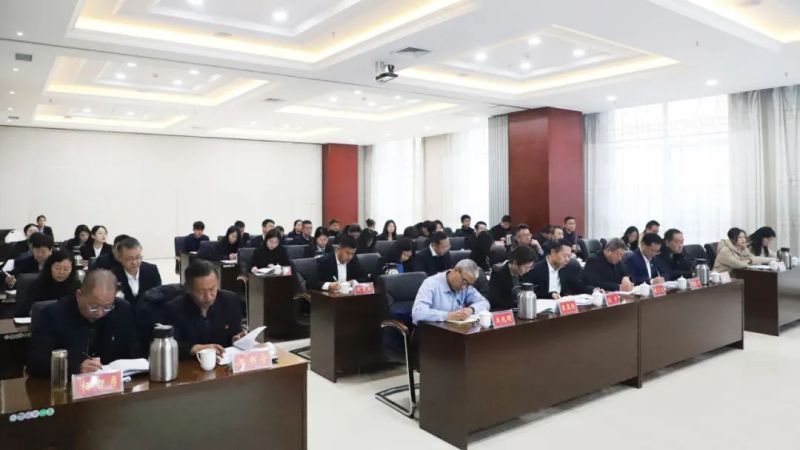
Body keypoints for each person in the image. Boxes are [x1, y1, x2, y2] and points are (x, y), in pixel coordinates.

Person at [27, 270, 140, 377]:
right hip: (68, 386)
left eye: (107, 307)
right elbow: (35, 363)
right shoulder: (54, 314)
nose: (100, 313)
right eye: (94, 306)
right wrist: (75, 368)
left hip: (115, 383)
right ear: (79, 295)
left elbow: (134, 351)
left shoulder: (122, 310)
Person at [164, 260, 245, 360]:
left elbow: (235, 331)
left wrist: (236, 339)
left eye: (212, 289)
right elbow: (169, 346)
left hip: (223, 363)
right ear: (189, 289)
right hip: (191, 364)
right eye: (201, 291)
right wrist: (196, 348)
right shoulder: (174, 308)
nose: (208, 296)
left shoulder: (230, 300)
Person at [411, 259, 490, 324]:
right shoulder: (431, 283)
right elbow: (418, 313)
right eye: (464, 281)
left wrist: (471, 309)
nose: (464, 287)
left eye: (468, 284)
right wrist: (448, 316)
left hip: (456, 331)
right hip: (431, 332)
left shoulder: (467, 287)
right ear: (455, 270)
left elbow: (485, 303)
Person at [14, 250, 80, 317]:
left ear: (72, 270)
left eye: (66, 269)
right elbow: (24, 311)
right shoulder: (38, 285)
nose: (61, 272)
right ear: (50, 267)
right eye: (57, 268)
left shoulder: (76, 287)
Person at [527, 239, 595, 299]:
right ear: (553, 252)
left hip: (561, 304)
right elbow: (532, 293)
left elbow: (578, 285)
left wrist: (594, 290)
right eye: (564, 256)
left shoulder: (569, 267)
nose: (567, 259)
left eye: (569, 256)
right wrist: (550, 295)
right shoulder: (536, 269)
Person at [111, 237, 162, 308]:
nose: (134, 262)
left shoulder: (152, 270)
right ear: (120, 258)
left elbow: (158, 295)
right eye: (129, 259)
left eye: (138, 257)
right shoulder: (112, 276)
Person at [487, 246, 537, 310]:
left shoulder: (524, 274)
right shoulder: (498, 274)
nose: (528, 270)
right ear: (515, 263)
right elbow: (496, 301)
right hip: (504, 311)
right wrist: (518, 303)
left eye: (530, 267)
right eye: (526, 267)